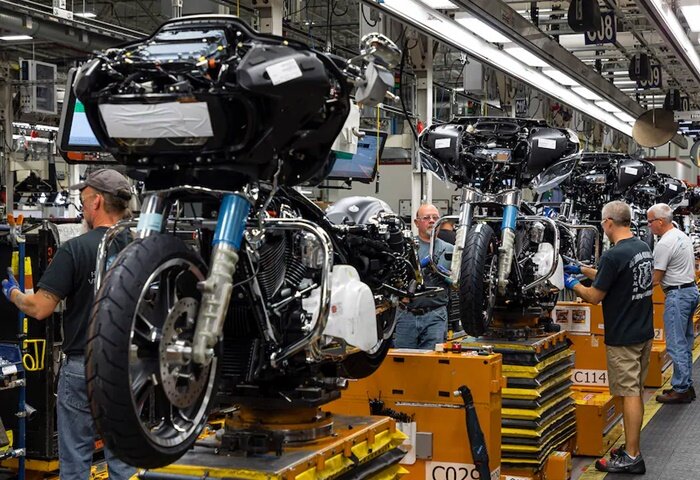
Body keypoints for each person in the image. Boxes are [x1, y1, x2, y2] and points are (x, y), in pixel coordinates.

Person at [2, 169, 135, 480]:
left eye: (84, 200)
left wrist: (14, 294)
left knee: (75, 464)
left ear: (97, 202)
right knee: (124, 464)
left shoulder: (76, 249)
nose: (83, 208)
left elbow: (40, 309)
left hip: (82, 367)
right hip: (126, 368)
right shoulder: (139, 247)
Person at [564, 200, 653, 475]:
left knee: (629, 394)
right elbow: (613, 276)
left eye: (603, 222)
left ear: (609, 223)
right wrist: (582, 269)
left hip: (623, 337)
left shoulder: (613, 255)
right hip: (643, 332)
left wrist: (572, 284)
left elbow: (594, 296)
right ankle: (630, 447)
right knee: (634, 392)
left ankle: (632, 456)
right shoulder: (641, 247)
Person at [647, 203, 699, 404]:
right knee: (684, 343)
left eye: (650, 221)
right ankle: (685, 384)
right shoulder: (680, 235)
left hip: (677, 296)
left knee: (676, 344)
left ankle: (681, 388)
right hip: (690, 291)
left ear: (660, 222)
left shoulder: (664, 244)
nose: (648, 225)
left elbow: (655, 279)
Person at [393, 203, 453, 349]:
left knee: (433, 359)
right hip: (406, 315)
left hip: (435, 316)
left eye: (435, 218)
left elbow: (458, 283)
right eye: (426, 218)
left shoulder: (450, 249)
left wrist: (442, 274)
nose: (431, 221)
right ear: (416, 222)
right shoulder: (405, 248)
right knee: (402, 358)